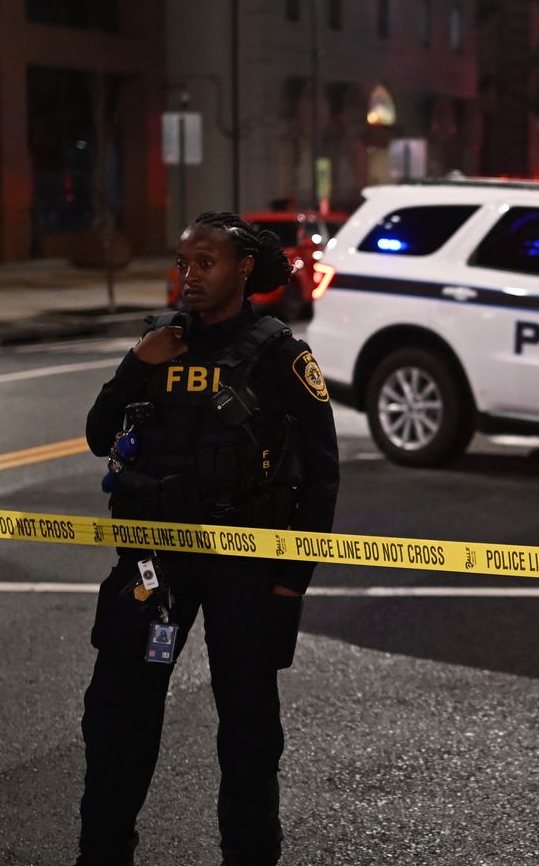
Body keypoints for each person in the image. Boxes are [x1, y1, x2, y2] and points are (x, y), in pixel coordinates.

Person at [77, 211, 339, 866]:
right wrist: (136, 363)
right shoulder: (160, 342)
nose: (188, 276)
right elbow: (98, 435)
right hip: (155, 561)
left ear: (243, 268)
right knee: (117, 716)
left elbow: (322, 476)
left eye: (205, 263)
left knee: (249, 729)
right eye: (182, 263)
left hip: (243, 560)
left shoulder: (279, 354)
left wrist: (290, 585)